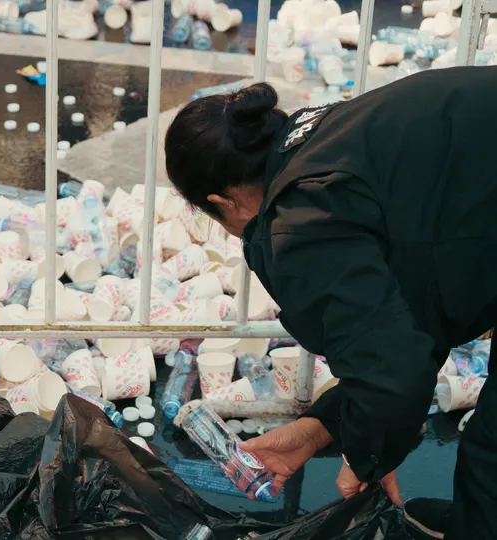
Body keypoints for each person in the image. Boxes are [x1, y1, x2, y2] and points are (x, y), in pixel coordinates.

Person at [164, 67, 497, 539]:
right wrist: (320, 427)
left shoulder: (303, 221)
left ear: (225, 202)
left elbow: (394, 373)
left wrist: (365, 457)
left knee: (493, 447)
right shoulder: (323, 139)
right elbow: (406, 320)